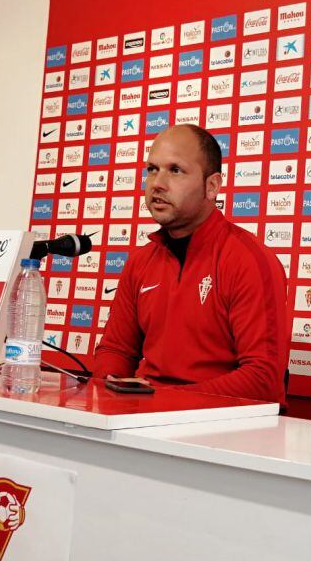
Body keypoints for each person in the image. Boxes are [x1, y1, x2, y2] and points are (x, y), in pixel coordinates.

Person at [92, 124, 289, 405]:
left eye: (175, 170)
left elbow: (263, 380)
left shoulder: (249, 260)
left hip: (219, 431)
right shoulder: (141, 261)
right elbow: (115, 351)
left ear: (212, 186)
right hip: (143, 423)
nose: (157, 183)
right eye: (152, 169)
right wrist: (115, 394)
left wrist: (159, 399)